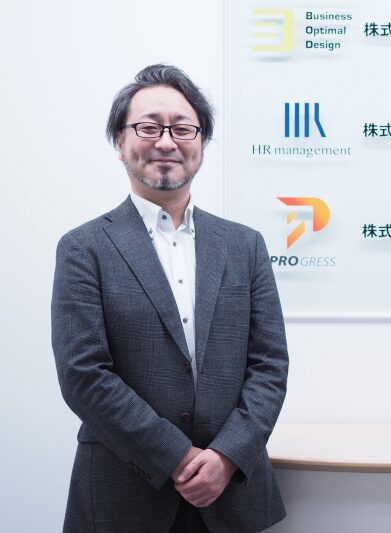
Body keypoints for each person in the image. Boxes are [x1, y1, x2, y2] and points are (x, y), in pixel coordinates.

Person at [51, 64, 289, 533]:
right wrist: (176, 456)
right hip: (124, 494)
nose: (166, 141)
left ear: (201, 143)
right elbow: (83, 375)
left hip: (232, 494)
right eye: (148, 127)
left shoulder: (245, 245)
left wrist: (226, 456)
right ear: (120, 141)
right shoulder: (84, 248)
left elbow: (270, 365)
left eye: (182, 128)